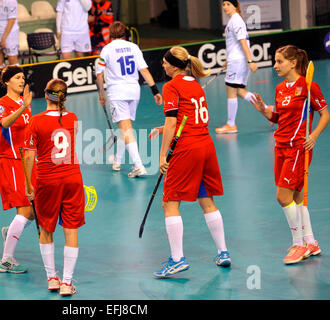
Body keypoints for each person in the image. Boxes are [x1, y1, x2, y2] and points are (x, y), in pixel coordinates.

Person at [150, 46, 231, 278]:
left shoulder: (171, 86)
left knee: (169, 203)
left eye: (165, 62)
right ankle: (223, 252)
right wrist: (162, 127)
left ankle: (177, 260)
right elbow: (188, 117)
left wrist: (163, 154)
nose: (163, 66)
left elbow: (174, 123)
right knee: (206, 199)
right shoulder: (194, 83)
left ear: (174, 65)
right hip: (205, 145)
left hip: (186, 149)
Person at [250, 45, 329, 265]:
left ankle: (299, 245)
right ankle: (311, 241)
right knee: (295, 198)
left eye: (279, 61)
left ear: (293, 63)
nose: (275, 66)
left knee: (282, 197)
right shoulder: (280, 88)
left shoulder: (309, 87)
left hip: (297, 148)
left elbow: (325, 114)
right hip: (280, 146)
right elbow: (280, 118)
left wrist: (313, 136)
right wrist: (265, 112)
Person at [25, 78, 85, 296]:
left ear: (46, 94)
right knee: (71, 230)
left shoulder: (36, 121)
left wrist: (28, 184)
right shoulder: (73, 118)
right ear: (64, 97)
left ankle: (52, 278)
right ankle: (67, 283)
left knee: (46, 229)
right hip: (72, 179)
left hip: (47, 180)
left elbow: (29, 156)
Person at [96, 21, 162, 178]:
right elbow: (144, 70)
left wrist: (101, 94)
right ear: (125, 34)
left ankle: (138, 165)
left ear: (110, 35)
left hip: (117, 92)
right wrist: (155, 91)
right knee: (124, 127)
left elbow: (99, 74)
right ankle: (117, 161)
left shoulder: (106, 49)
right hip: (134, 91)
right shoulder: (134, 47)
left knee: (125, 128)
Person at [0, 66, 36, 273]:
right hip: (12, 161)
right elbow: (5, 123)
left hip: (28, 161)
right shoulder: (3, 104)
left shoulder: (23, 103)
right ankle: (6, 260)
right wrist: (23, 107)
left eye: (23, 78)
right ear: (7, 82)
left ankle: (11, 231)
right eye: (17, 78)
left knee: (35, 211)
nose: (22, 81)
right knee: (25, 208)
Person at [215, 0, 258, 134]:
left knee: (231, 90)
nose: (225, 7)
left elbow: (243, 42)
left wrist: (250, 60)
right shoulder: (232, 20)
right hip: (234, 60)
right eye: (223, 4)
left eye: (228, 4)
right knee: (238, 91)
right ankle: (267, 109)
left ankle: (231, 124)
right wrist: (228, 60)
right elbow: (234, 44)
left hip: (238, 62)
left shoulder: (236, 20)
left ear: (235, 5)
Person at [0, 0, 20, 68]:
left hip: (10, 35)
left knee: (13, 63)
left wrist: (4, 38)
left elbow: (11, 20)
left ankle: (17, 78)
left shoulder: (12, 1)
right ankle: (1, 78)